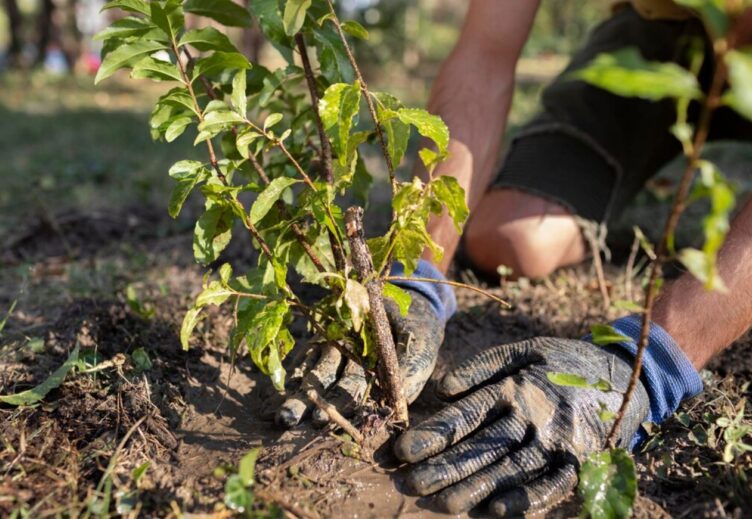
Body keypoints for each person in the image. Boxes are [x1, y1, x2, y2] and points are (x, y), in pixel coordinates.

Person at [277, 2, 752, 516]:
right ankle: (635, 193)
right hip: (660, 42)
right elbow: (484, 53)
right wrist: (415, 265)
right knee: (512, 240)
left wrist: (654, 360)